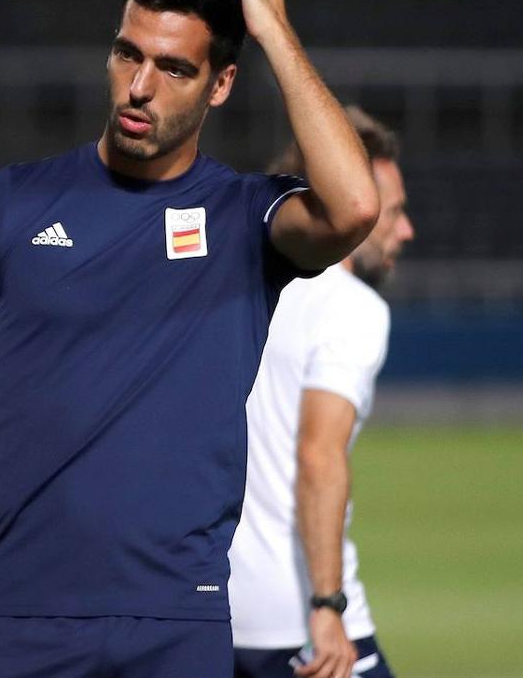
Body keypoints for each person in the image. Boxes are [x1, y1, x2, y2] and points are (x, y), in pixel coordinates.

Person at [0, 0, 380, 678]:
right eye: (127, 54)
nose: (139, 85)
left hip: (178, 616)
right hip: (18, 612)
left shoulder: (244, 217)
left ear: (221, 84)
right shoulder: (6, 204)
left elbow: (355, 206)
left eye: (174, 68)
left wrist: (274, 28)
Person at [229, 107, 414, 678]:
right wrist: (328, 605)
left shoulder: (239, 285)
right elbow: (318, 454)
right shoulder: (351, 307)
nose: (404, 231)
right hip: (299, 619)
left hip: (209, 611)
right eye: (392, 212)